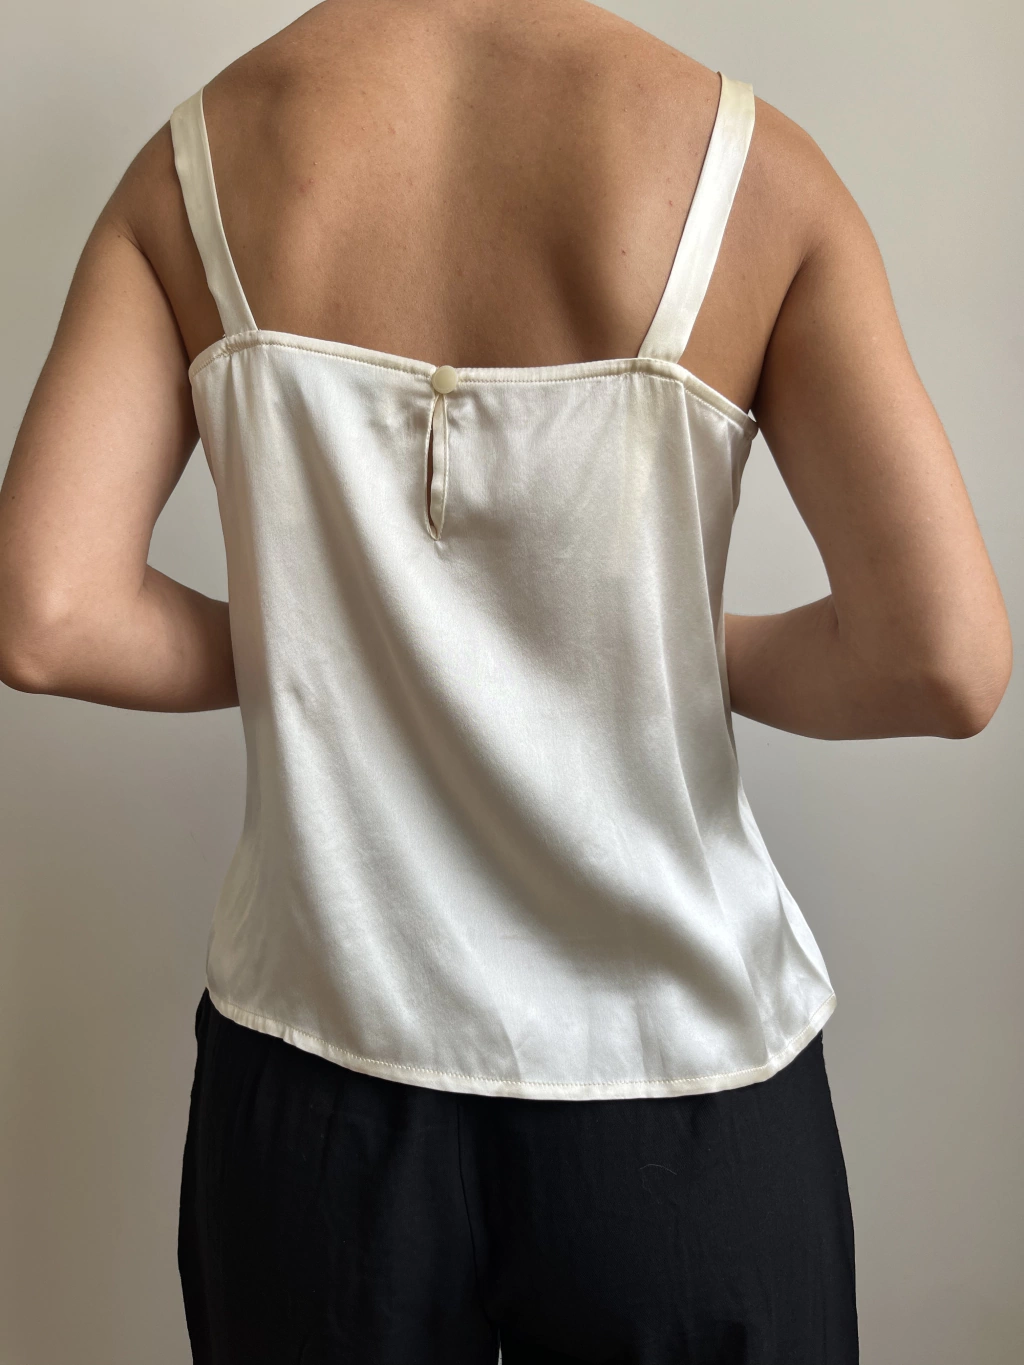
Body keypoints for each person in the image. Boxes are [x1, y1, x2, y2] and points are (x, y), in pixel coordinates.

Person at [0, 1, 1012, 1362]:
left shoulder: (197, 163)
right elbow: (942, 660)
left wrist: (341, 638)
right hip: (681, 1108)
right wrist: (660, 645)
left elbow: (50, 614)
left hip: (316, 1099)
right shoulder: (753, 171)